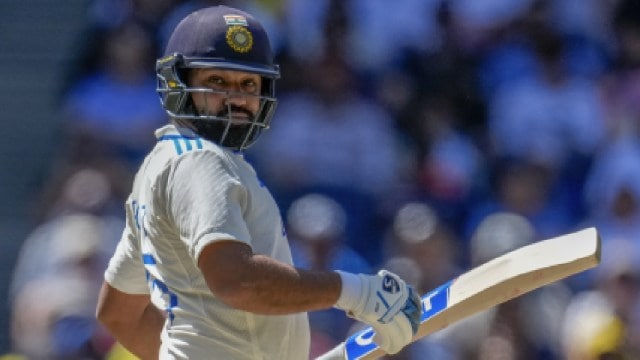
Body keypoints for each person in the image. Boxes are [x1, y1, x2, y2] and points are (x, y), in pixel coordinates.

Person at [94, 5, 422, 360]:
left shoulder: (161, 165)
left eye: (249, 83)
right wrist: (357, 291)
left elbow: (118, 313)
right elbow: (237, 279)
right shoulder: (201, 160)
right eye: (217, 81)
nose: (237, 98)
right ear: (178, 84)